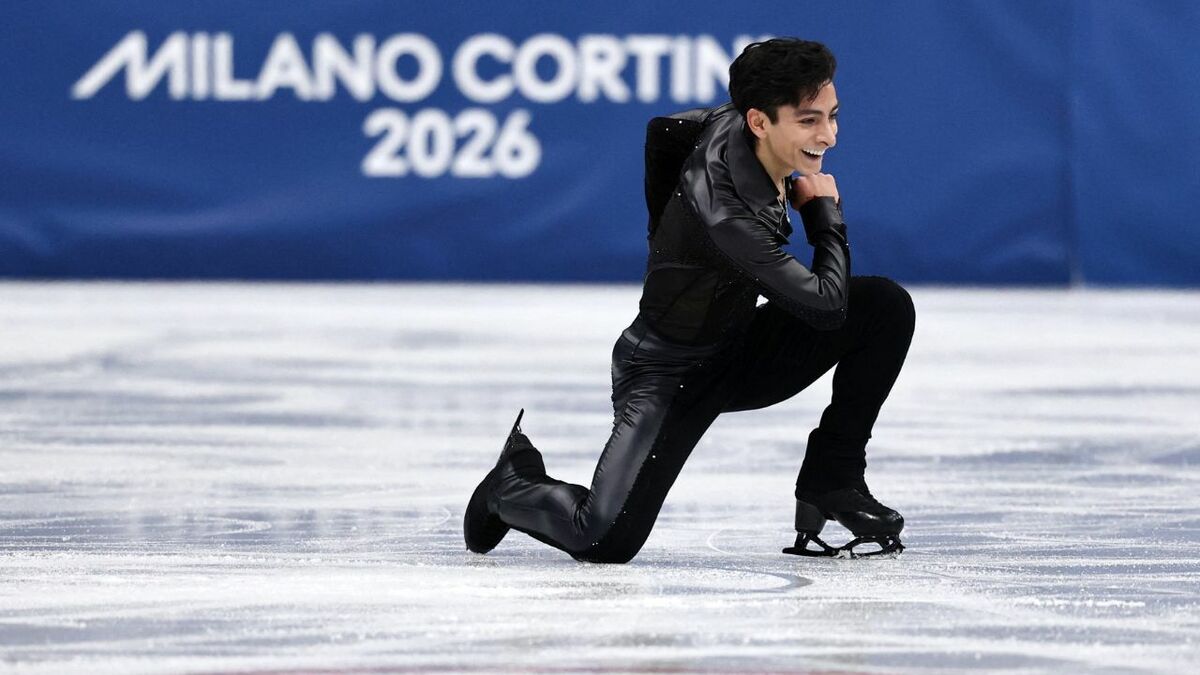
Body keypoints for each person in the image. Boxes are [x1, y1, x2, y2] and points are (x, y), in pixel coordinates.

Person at [464, 38, 915, 563]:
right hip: (666, 374)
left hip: (736, 347)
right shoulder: (729, 218)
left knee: (884, 307)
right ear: (760, 122)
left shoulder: (725, 123)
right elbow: (825, 306)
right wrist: (825, 217)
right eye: (810, 121)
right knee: (604, 538)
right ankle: (512, 483)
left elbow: (664, 131)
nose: (829, 136)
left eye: (833, 116)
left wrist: (664, 231)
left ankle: (832, 478)